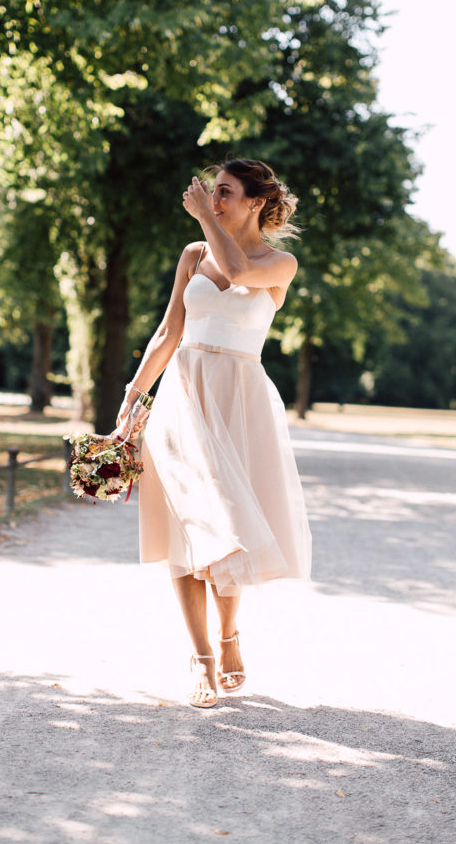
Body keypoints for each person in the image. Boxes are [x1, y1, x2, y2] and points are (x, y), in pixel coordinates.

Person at [115, 159, 312, 707]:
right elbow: (168, 330)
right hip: (182, 394)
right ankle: (201, 658)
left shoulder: (280, 263)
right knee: (182, 524)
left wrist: (207, 219)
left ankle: (229, 634)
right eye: (212, 192)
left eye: (226, 192)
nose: (215, 199)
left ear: (255, 203)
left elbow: (242, 275)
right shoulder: (193, 256)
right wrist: (133, 397)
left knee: (231, 522)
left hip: (239, 399)